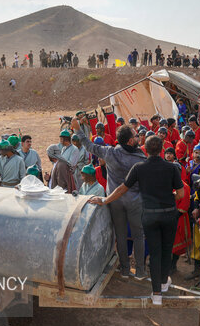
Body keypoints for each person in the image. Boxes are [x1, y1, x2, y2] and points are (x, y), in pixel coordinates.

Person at [89, 135, 184, 305]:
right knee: (166, 249)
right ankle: (163, 283)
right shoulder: (172, 169)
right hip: (169, 213)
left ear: (145, 150)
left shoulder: (138, 168)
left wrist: (104, 200)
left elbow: (121, 189)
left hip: (149, 214)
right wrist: (169, 198)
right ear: (162, 149)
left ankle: (156, 295)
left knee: (155, 252)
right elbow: (181, 194)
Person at [72, 117, 148, 279]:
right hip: (135, 202)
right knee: (138, 236)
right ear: (129, 141)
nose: (138, 138)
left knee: (120, 235)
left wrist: (78, 130)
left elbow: (89, 145)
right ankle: (140, 271)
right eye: (135, 136)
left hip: (114, 201)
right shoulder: (140, 158)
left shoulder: (109, 152)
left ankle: (125, 270)